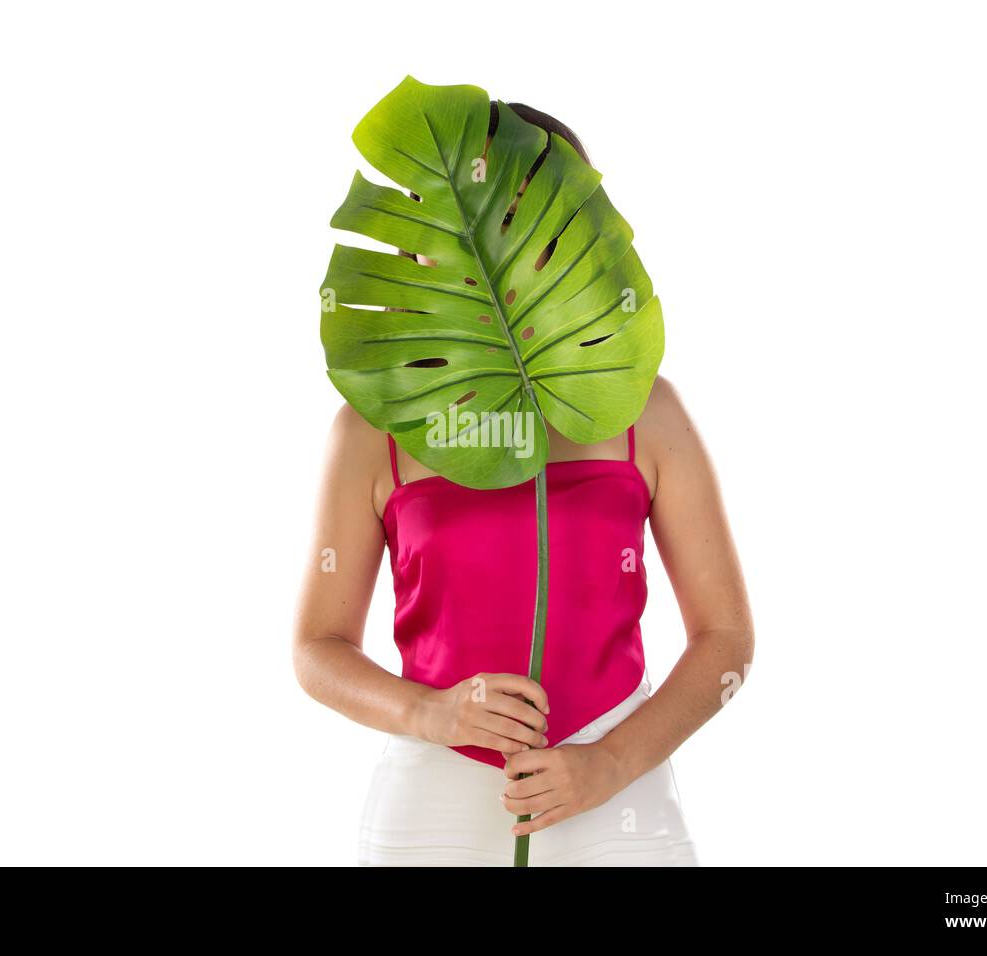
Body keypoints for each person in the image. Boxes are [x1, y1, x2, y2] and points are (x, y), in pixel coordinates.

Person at [293, 104, 754, 866]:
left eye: (528, 221)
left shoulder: (648, 412)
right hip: (432, 797)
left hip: (617, 789)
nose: (499, 251)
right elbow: (316, 647)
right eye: (472, 224)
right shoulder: (372, 427)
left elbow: (727, 637)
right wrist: (430, 713)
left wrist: (610, 763)